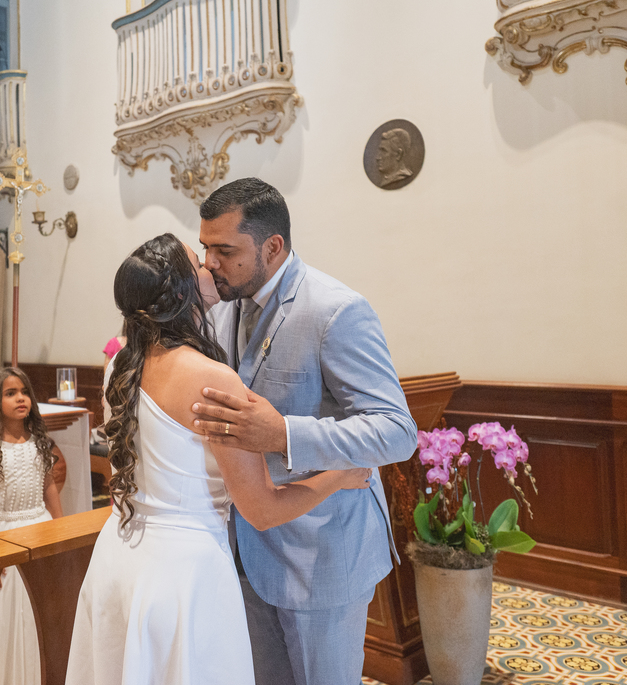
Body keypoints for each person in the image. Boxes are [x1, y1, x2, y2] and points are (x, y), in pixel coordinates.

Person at [66, 233, 372, 685]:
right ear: (182, 293)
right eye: (198, 263)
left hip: (119, 556)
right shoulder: (213, 380)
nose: (210, 266)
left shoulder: (120, 366)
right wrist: (339, 476)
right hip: (184, 575)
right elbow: (261, 509)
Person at [191, 177, 417, 685]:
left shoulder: (335, 310)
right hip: (243, 550)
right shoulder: (223, 305)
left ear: (272, 246)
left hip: (322, 554)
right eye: (205, 248)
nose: (209, 264)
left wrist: (284, 435)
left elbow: (397, 431)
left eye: (225, 251)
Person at [0, 368, 62, 685]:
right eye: (10, 393)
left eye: (24, 392)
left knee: (41, 614)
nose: (21, 398)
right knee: (8, 615)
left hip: (39, 530)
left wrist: (61, 530)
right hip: (0, 538)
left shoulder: (41, 444)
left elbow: (49, 488)